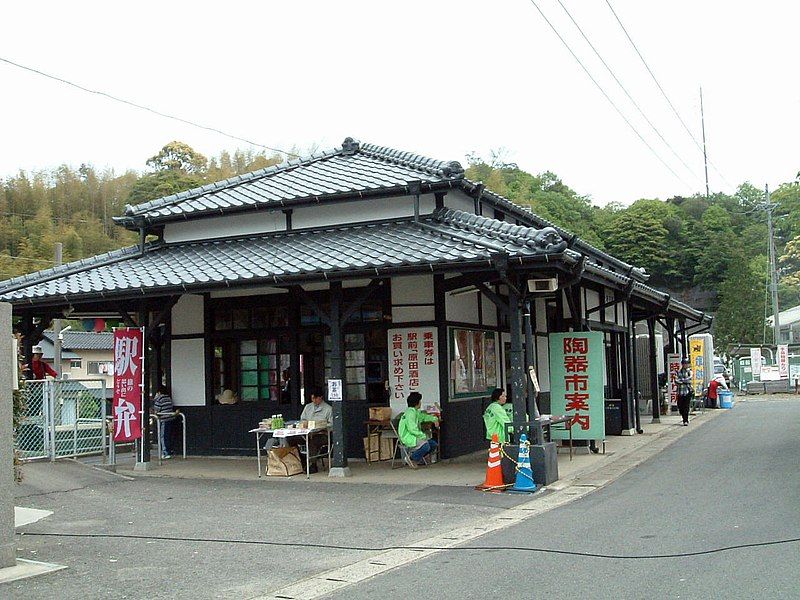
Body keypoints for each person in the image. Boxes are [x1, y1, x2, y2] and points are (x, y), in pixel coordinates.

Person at [398, 391, 439, 468]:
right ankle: (411, 459)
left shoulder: (415, 411)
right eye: (420, 401)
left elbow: (424, 417)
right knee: (426, 446)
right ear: (417, 402)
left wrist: (434, 419)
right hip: (408, 437)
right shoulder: (410, 413)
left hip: (415, 436)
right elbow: (412, 429)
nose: (421, 402)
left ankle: (417, 458)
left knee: (433, 444)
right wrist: (422, 436)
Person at [152, 385, 177, 459]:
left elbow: (156, 410)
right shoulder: (168, 398)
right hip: (170, 418)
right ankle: (169, 450)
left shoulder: (160, 399)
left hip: (164, 419)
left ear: (158, 392)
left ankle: (165, 452)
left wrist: (155, 399)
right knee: (168, 435)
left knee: (163, 436)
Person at [676, 358, 693, 426]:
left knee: (686, 406)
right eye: (684, 364)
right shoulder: (678, 372)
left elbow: (689, 380)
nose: (686, 365)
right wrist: (684, 381)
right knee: (680, 406)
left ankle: (685, 420)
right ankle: (684, 417)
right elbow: (676, 381)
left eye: (687, 364)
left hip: (687, 391)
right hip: (680, 392)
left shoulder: (689, 372)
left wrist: (681, 381)